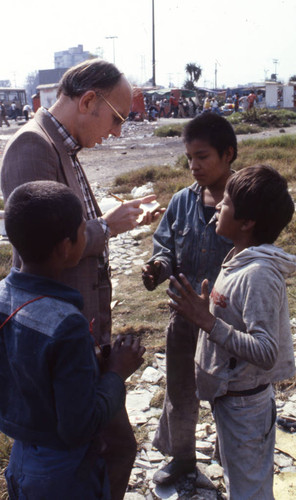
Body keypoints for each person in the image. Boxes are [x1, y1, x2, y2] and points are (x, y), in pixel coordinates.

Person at [1, 58, 158, 500]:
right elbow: (45, 238)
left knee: (103, 448)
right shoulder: (32, 146)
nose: (116, 132)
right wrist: (108, 227)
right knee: (107, 445)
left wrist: (109, 220)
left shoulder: (59, 145)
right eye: (117, 118)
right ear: (89, 100)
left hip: (69, 331)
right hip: (58, 331)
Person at [0, 180, 146, 499]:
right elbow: (79, 426)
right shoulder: (67, 325)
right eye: (83, 229)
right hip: (65, 474)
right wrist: (116, 373)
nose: (87, 234)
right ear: (66, 247)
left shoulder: (1, 298)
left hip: (21, 461)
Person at [167, 164, 296, 499]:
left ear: (247, 222)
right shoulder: (239, 255)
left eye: (225, 203)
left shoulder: (259, 275)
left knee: (249, 490)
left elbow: (267, 351)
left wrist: (207, 321)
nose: (218, 207)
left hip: (245, 407)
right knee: (241, 478)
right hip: (231, 396)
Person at [142, 112, 237, 485]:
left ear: (228, 154)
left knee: (231, 395)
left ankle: (235, 460)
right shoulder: (182, 200)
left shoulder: (244, 202)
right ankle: (182, 458)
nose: (194, 166)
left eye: (203, 156)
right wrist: (158, 267)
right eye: (189, 158)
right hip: (184, 317)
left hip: (227, 323)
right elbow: (165, 246)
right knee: (180, 389)